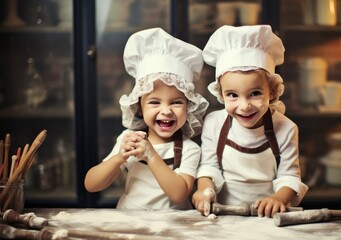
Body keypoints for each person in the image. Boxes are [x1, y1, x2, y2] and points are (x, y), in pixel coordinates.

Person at [84, 28, 209, 210]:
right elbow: (91, 185)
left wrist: (151, 155)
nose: (166, 111)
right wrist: (119, 157)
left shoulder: (190, 149)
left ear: (189, 107)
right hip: (131, 221)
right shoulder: (128, 139)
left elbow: (179, 194)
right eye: (154, 102)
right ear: (139, 108)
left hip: (174, 225)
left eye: (176, 102)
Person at [192, 25, 308, 217]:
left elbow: (289, 175)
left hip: (268, 216)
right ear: (220, 94)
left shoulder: (286, 128)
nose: (244, 106)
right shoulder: (214, 123)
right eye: (232, 95)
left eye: (255, 93)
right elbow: (209, 166)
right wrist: (204, 189)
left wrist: (278, 199)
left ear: (271, 92)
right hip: (223, 214)